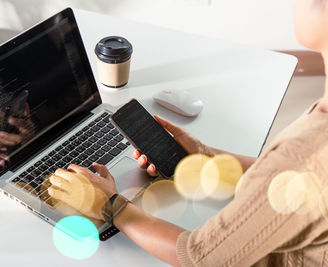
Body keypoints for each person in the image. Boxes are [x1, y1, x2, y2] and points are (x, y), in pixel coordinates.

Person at [49, 0, 328, 265]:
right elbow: (289, 180)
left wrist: (110, 204)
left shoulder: (308, 152)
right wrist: (207, 155)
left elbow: (202, 257)